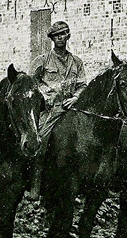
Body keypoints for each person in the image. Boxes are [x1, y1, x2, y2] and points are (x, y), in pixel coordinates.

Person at [30, 21, 87, 195]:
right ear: (52, 39)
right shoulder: (42, 60)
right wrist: (45, 95)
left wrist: (75, 98)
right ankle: (35, 184)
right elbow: (32, 83)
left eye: (62, 34)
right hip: (50, 109)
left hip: (71, 108)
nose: (60, 38)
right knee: (40, 140)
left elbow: (82, 85)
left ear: (68, 36)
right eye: (56, 36)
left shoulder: (76, 62)